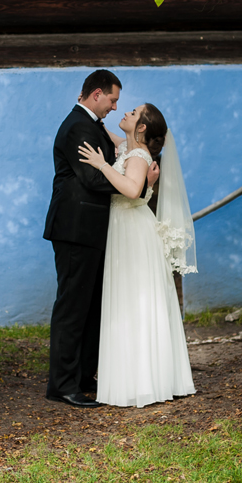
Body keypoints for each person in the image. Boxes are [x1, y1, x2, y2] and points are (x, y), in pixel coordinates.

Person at [42, 70, 158, 407]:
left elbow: (127, 153)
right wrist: (134, 189)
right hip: (75, 228)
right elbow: (92, 177)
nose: (115, 106)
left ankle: (81, 376)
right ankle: (62, 385)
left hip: (92, 229)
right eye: (112, 99)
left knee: (91, 307)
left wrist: (139, 173)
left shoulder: (92, 126)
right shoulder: (78, 126)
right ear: (96, 94)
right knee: (72, 307)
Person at [77, 103, 196, 407]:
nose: (126, 113)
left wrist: (101, 165)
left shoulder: (140, 156)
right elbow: (115, 139)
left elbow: (131, 189)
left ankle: (146, 379)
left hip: (133, 230)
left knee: (136, 299)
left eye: (133, 112)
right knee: (126, 299)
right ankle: (134, 375)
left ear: (142, 127)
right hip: (124, 228)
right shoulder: (129, 148)